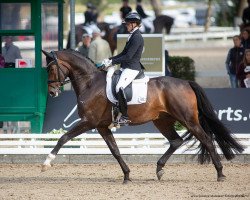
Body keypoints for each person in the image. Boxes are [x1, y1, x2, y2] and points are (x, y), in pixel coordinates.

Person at [102, 12, 144, 124]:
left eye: (128, 24)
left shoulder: (137, 37)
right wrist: (110, 59)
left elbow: (128, 56)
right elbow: (123, 53)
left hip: (132, 68)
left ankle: (125, 116)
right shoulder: (132, 36)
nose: (126, 26)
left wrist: (113, 62)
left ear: (134, 24)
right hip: (125, 67)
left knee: (119, 87)